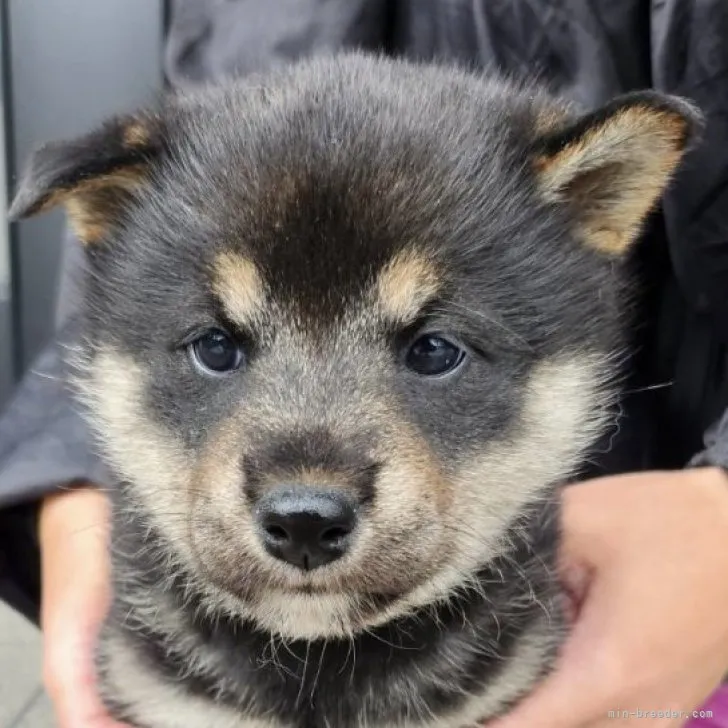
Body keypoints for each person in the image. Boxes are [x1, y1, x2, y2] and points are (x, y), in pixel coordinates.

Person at [1, 2, 728, 727]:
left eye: (433, 352)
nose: (305, 498)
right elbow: (118, 300)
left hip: (649, 589)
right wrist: (64, 483)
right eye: (217, 348)